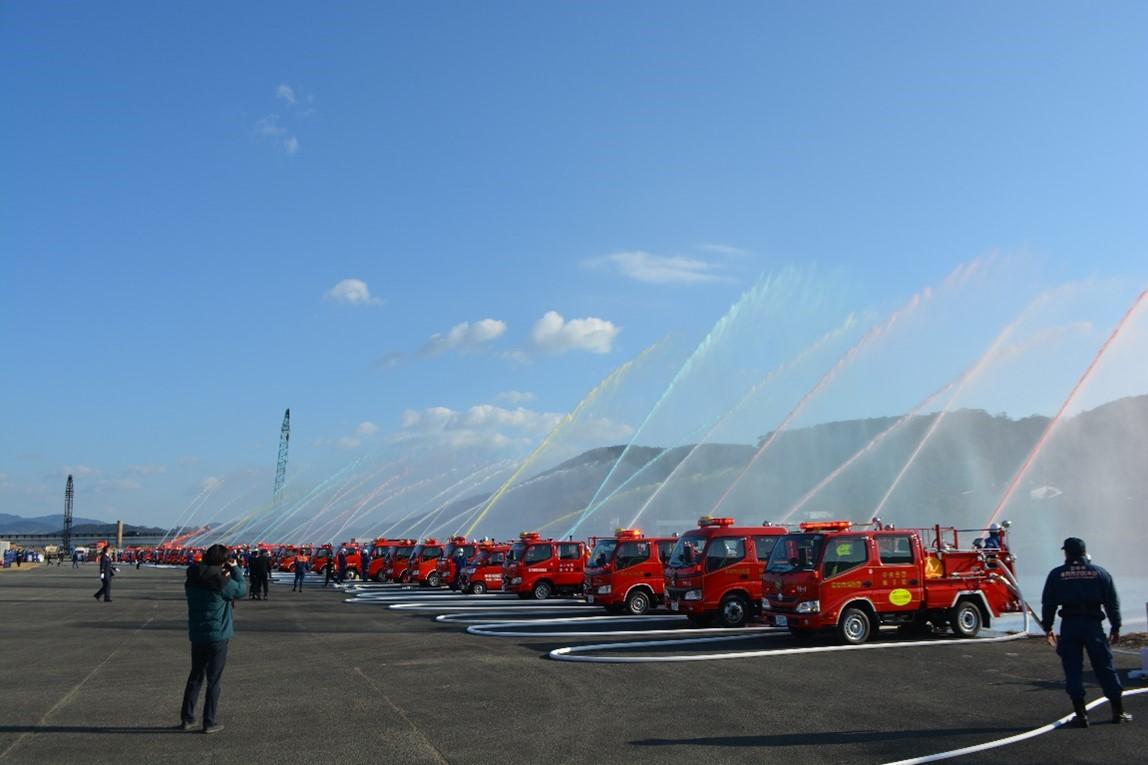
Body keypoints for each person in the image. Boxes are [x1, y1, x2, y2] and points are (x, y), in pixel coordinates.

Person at [1041, 537, 1132, 727]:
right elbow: (1112, 603)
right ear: (1084, 552)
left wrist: (1048, 628)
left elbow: (1048, 604)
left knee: (1072, 669)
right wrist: (1116, 627)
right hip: (1093, 625)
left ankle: (1081, 715)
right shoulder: (1100, 573)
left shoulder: (1057, 574)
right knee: (1105, 666)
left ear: (1066, 553)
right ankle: (1118, 712)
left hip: (1070, 626)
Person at [179, 544, 246, 734]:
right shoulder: (221, 581)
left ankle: (187, 718)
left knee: (195, 676)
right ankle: (209, 721)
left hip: (197, 634)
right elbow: (241, 590)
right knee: (214, 680)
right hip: (218, 636)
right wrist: (235, 569)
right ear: (222, 561)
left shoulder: (192, 577)